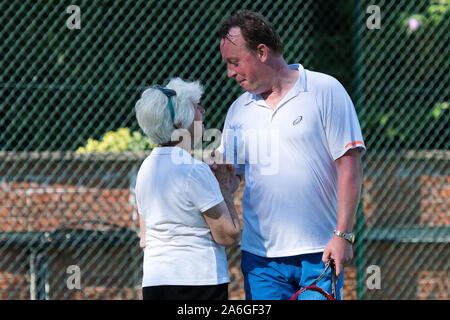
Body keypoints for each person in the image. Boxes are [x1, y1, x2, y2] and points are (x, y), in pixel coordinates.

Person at [216, 10, 365, 300]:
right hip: (260, 260)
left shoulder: (325, 90)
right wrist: (209, 175)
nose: (230, 73)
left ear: (261, 52)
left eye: (234, 62)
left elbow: (350, 167)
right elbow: (231, 178)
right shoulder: (237, 110)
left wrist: (343, 235)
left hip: (320, 253)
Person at [134, 77, 241, 300]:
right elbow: (229, 236)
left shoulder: (145, 169)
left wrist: (222, 192)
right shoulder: (193, 170)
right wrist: (222, 187)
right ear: (180, 123)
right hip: (197, 282)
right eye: (195, 107)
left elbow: (145, 238)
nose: (202, 110)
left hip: (155, 282)